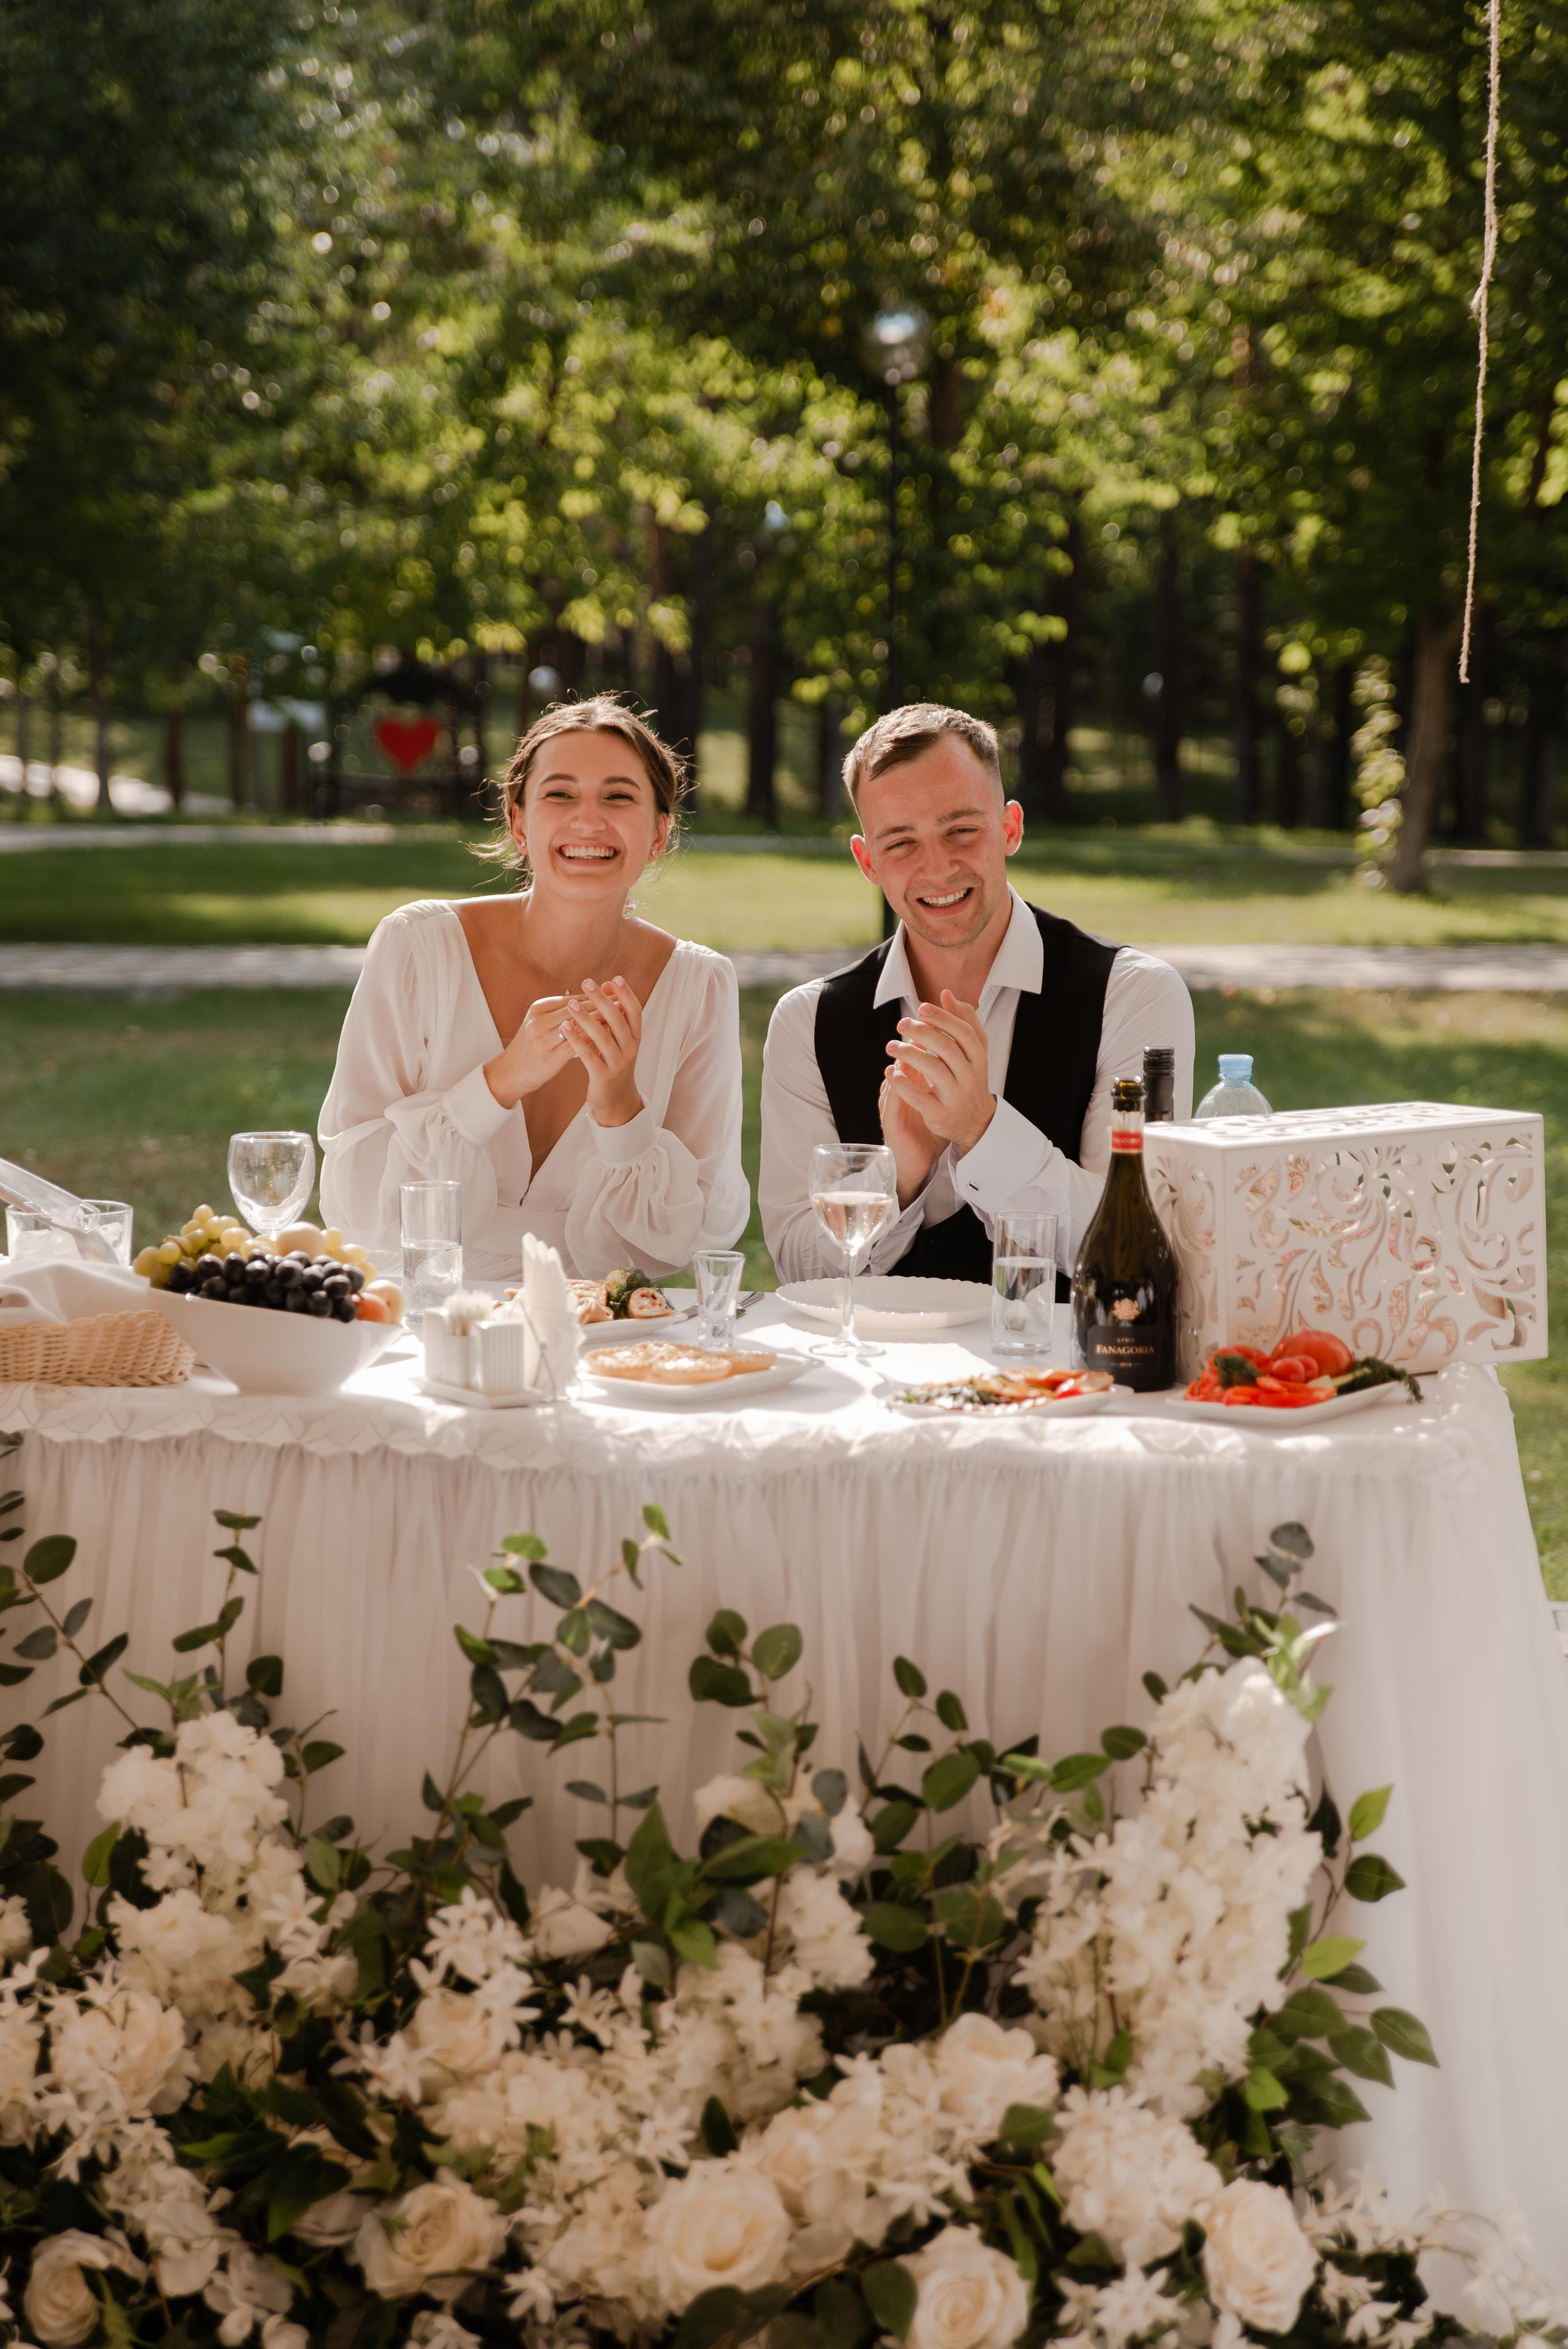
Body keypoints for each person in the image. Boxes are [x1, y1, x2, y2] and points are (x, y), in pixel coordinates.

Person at [760, 703, 1194, 1285]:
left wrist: (982, 1130)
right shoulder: (806, 1022)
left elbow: (1136, 1255)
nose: (938, 868)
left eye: (961, 830)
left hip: (1065, 1348)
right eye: (901, 843)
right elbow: (799, 1270)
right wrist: (898, 1182)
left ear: (1010, 827)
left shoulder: (1134, 995)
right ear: (868, 862)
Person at [319, 697, 749, 1281]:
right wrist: (498, 1083)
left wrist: (621, 1109)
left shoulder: (699, 987)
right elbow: (355, 1202)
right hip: (427, 1305)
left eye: (619, 797)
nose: (589, 822)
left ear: (659, 832)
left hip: (605, 1318)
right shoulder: (417, 948)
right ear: (519, 823)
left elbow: (701, 1231)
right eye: (561, 794)